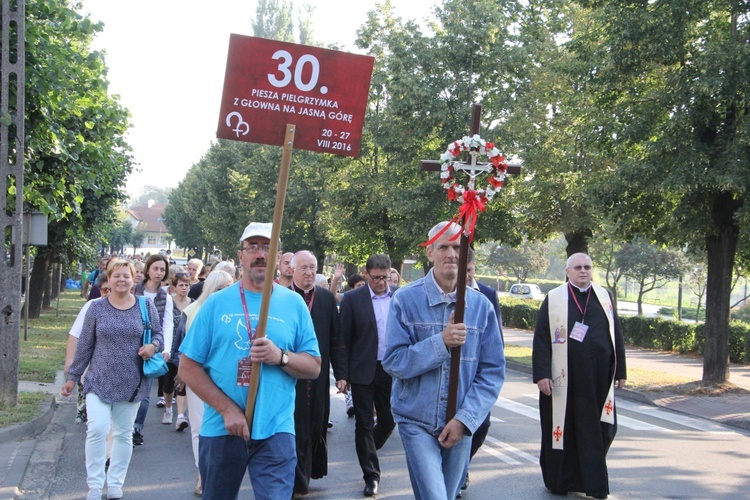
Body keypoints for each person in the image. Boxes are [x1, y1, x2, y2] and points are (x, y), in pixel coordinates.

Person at [178, 222, 321, 500]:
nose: (260, 254)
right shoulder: (216, 304)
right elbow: (187, 367)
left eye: (267, 247)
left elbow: (314, 367)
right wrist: (227, 410)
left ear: (279, 259)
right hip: (222, 428)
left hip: (276, 429)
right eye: (252, 247)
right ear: (240, 255)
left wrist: (280, 357)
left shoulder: (294, 305)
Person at [382, 221, 505, 500]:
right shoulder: (405, 300)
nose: (451, 254)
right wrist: (441, 342)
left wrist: (465, 419)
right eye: (443, 247)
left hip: (460, 422)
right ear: (430, 253)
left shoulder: (481, 306)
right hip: (416, 420)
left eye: (458, 247)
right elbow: (394, 361)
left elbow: (492, 373)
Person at [62, 259, 163, 500]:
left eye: (126, 276)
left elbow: (158, 334)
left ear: (133, 280)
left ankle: (116, 483)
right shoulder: (96, 308)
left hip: (132, 381)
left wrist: (153, 346)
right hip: (98, 381)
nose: (121, 280)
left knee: (123, 433)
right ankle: (95, 485)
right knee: (96, 429)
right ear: (109, 278)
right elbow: (85, 345)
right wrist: (72, 377)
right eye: (116, 276)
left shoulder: (145, 305)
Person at [532, 252, 627, 499]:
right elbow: (541, 339)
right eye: (578, 267)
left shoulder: (604, 296)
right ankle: (560, 481)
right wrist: (542, 374)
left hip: (599, 380)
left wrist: (621, 371)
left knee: (603, 429)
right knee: (564, 431)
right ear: (567, 271)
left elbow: (616, 334)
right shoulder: (554, 299)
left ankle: (592, 482)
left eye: (587, 267)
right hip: (564, 380)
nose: (583, 271)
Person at [288, 250, 348, 497]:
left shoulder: (324, 298)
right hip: (289, 374)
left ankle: (308, 473)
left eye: (312, 267)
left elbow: (336, 339)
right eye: (303, 268)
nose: (309, 273)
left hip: (319, 375)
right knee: (295, 426)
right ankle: (295, 480)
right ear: (292, 270)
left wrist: (342, 374)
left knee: (315, 425)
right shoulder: (282, 296)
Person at [339, 254, 398, 497]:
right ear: (366, 275)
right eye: (376, 278)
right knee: (363, 424)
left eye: (385, 278)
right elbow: (343, 339)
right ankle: (371, 475)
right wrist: (342, 375)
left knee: (389, 420)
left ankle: (368, 448)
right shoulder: (353, 299)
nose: (381, 282)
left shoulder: (398, 297)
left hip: (391, 369)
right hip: (362, 369)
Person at [172, 270, 235, 496]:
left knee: (226, 428)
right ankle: (203, 473)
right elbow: (178, 348)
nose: (225, 293)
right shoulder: (193, 311)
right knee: (200, 427)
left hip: (227, 379)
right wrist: (186, 372)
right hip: (199, 379)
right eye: (220, 288)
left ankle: (220, 472)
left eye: (229, 287)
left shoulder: (237, 311)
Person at [462, 247, 504, 494]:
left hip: (479, 371)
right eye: (463, 271)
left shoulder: (487, 294)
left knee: (482, 424)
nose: (466, 275)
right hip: (456, 368)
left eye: (470, 270)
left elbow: (496, 332)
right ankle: (455, 470)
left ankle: (462, 464)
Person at [132, 254, 174, 444]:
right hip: (131, 344)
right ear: (148, 270)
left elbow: (168, 324)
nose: (159, 273)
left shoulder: (166, 296)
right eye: (155, 268)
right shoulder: (135, 291)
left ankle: (136, 428)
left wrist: (166, 349)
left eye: (162, 269)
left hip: (153, 346)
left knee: (145, 390)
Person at [64, 273, 111, 425]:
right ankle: (85, 413)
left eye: (111, 289)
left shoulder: (131, 306)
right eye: (104, 290)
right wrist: (70, 361)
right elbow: (75, 334)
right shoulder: (92, 306)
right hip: (93, 364)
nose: (108, 294)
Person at [169, 270, 193, 432]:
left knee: (183, 381)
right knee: (168, 383)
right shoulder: (168, 303)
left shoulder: (194, 304)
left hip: (186, 347)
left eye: (187, 285)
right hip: (170, 347)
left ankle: (180, 416)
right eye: (181, 285)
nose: (184, 288)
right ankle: (168, 408)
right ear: (174, 287)